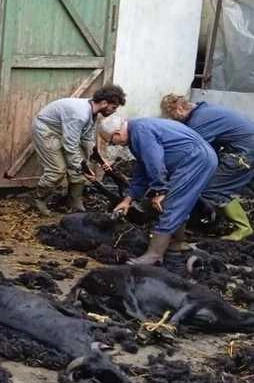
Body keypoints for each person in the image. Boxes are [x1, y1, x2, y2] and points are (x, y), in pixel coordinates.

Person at [101, 116, 218, 265]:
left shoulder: (140, 131)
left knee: (170, 204)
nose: (115, 145)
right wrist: (128, 199)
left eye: (112, 142)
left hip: (195, 161)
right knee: (177, 204)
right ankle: (177, 244)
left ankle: (154, 255)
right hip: (195, 159)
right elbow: (142, 170)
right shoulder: (137, 131)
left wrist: (160, 191)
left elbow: (154, 162)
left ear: (117, 134)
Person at [162, 94, 254, 241]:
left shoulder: (198, 122)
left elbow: (194, 154)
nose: (174, 120)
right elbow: (212, 149)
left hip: (245, 153)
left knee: (214, 189)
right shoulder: (205, 110)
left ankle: (244, 228)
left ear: (179, 108)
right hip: (245, 148)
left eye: (172, 116)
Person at [29, 85, 127, 215]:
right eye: (113, 107)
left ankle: (74, 202)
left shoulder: (93, 113)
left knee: (78, 167)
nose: (114, 111)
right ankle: (38, 200)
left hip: (64, 132)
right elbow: (70, 146)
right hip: (47, 130)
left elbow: (87, 140)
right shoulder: (79, 114)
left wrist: (101, 160)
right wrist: (84, 169)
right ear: (104, 103)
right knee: (57, 170)